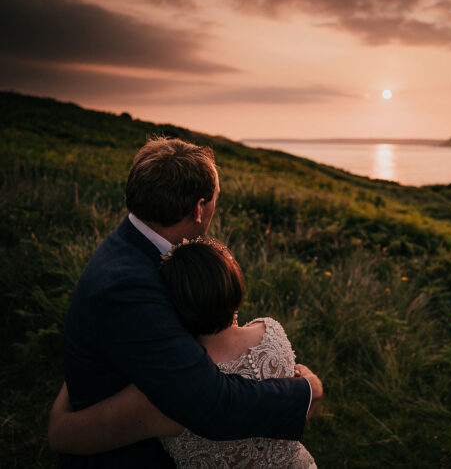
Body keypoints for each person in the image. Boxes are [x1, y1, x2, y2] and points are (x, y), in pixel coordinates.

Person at [53, 137, 322, 467]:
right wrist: (305, 391)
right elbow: (209, 403)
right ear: (198, 208)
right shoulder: (129, 287)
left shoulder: (132, 243)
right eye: (213, 203)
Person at [50, 237, 318, 468]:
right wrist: (312, 386)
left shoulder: (166, 392)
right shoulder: (271, 332)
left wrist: (84, 362)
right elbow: (300, 399)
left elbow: (60, 434)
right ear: (233, 284)